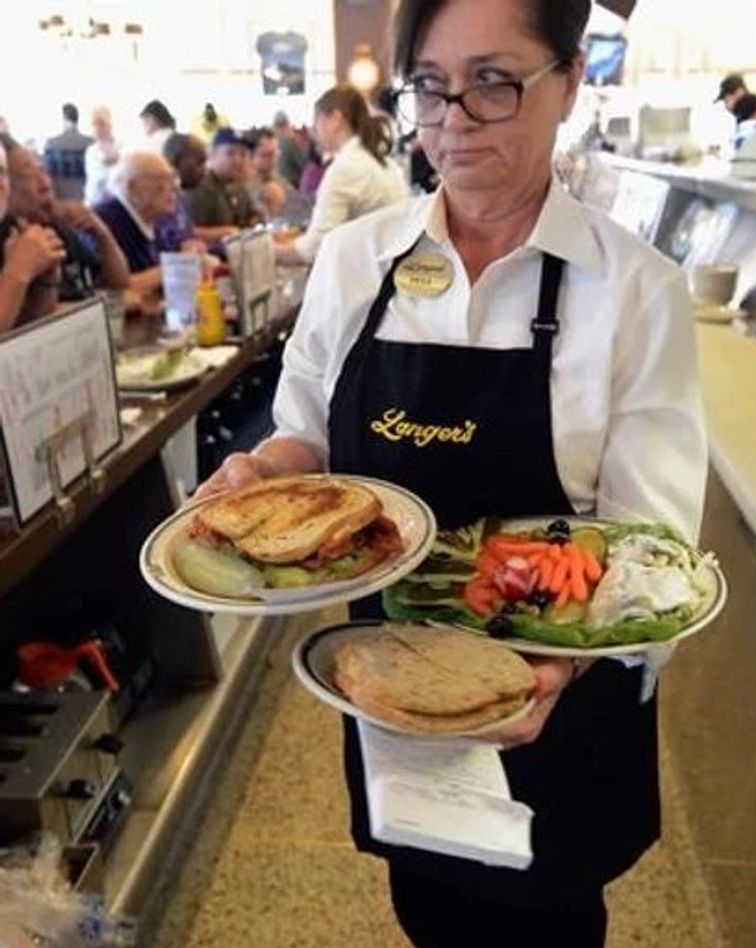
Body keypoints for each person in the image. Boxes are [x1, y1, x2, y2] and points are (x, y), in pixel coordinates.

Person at [196, 0, 707, 944]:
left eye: (493, 83)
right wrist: (257, 477)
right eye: (430, 88)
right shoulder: (356, 261)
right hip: (395, 679)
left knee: (550, 918)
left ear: (570, 81)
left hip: (558, 699)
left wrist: (554, 667)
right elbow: (304, 430)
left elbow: (657, 541)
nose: (453, 122)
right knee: (426, 908)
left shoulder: (634, 288)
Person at [277, 84, 408, 265]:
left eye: (317, 121)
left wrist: (269, 252)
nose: (314, 132)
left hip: (369, 279)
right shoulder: (377, 159)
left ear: (335, 119)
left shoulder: (347, 166)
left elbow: (315, 247)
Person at [1, 136, 128, 305]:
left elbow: (117, 283)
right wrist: (19, 272)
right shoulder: (9, 241)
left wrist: (102, 234)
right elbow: (19, 327)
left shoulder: (56, 227)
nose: (45, 184)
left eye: (43, 171)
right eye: (26, 176)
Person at [0, 137, 65, 332]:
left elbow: (22, 334)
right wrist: (18, 272)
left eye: (1, 173)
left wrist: (44, 283)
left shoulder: (10, 230)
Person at [94, 152, 178, 297]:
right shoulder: (105, 221)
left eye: (172, 178)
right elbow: (116, 289)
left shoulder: (155, 217)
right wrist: (178, 267)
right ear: (131, 188)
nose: (173, 187)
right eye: (162, 179)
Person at [184, 128, 259, 237]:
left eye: (243, 154)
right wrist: (225, 232)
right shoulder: (199, 186)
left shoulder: (239, 187)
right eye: (230, 153)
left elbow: (251, 219)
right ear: (212, 154)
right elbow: (187, 232)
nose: (238, 160)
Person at [158, 133, 208, 254]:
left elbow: (189, 236)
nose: (205, 170)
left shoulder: (179, 196)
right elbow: (172, 248)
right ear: (177, 160)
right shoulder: (159, 200)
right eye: (199, 162)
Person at [42, 103, 93, 201]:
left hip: (60, 199)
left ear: (63, 119)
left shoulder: (51, 144)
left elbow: (46, 173)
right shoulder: (91, 143)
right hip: (85, 199)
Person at [246, 128, 294, 219]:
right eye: (267, 155)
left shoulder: (278, 180)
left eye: (275, 153)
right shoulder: (243, 187)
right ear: (250, 156)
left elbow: (297, 206)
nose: (274, 160)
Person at [84, 107, 121, 206]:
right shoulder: (91, 151)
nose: (98, 129)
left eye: (101, 124)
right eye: (94, 125)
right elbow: (95, 180)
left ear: (109, 125)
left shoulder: (121, 147)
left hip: (117, 203)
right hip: (95, 202)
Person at [273, 110, 307, 186]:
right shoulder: (289, 142)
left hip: (279, 183)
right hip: (293, 184)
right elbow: (303, 165)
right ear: (287, 124)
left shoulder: (273, 142)